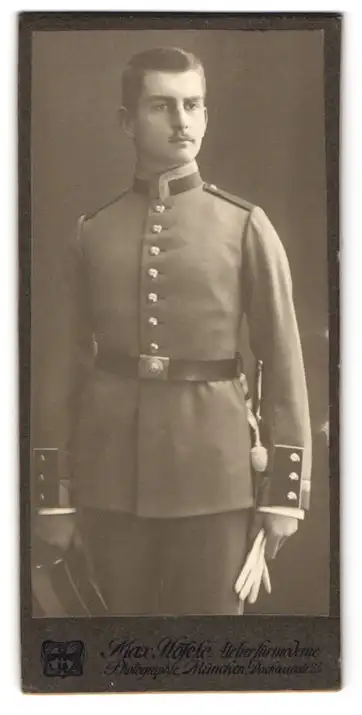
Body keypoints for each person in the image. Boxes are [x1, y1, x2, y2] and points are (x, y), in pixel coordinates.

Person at [33, 47, 312, 615]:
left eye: (193, 105)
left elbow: (283, 363)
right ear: (127, 121)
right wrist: (53, 498)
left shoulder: (245, 225)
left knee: (210, 656)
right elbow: (59, 368)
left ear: (206, 115)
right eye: (162, 106)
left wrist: (285, 495)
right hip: (110, 476)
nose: (182, 121)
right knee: (116, 650)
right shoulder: (92, 232)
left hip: (218, 477)